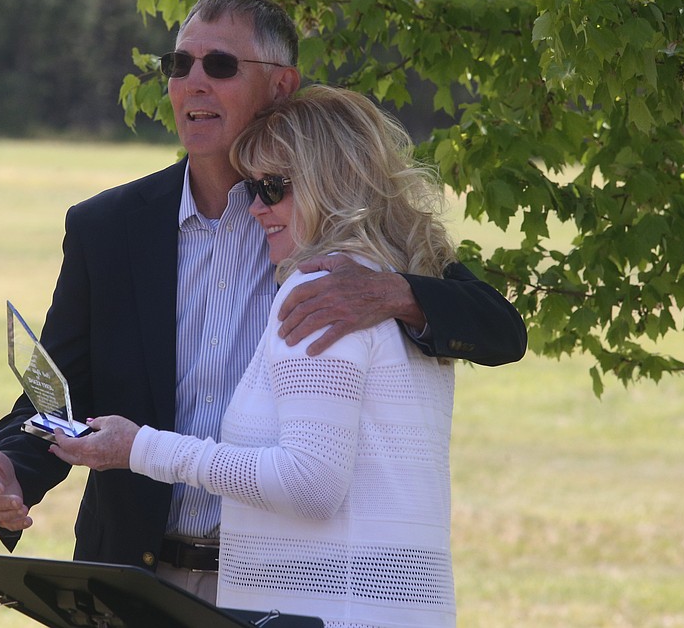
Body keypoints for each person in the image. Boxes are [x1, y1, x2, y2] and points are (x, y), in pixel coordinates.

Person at [0, 0, 525, 600]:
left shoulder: (325, 224)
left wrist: (393, 293)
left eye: (221, 65)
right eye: (179, 65)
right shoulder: (107, 226)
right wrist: (13, 469)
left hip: (283, 583)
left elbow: (501, 329)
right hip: (137, 576)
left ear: (282, 84)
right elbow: (58, 389)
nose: (194, 83)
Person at [53, 85, 462, 627]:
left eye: (271, 187)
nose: (255, 207)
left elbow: (308, 484)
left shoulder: (321, 289)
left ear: (329, 181)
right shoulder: (399, 283)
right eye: (253, 187)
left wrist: (141, 448)